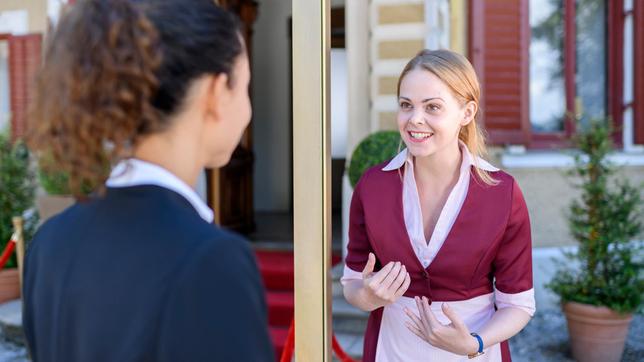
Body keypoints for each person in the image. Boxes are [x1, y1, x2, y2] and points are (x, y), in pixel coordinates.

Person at [23, 0, 273, 361]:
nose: (246, 110)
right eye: (244, 86)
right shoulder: (210, 260)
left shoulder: (49, 243)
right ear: (217, 93)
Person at [341, 49, 535, 361]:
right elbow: (352, 283)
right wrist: (367, 295)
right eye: (406, 105)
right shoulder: (372, 186)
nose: (414, 119)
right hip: (391, 351)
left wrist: (474, 343)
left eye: (433, 107)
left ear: (467, 112)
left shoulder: (502, 192)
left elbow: (518, 304)